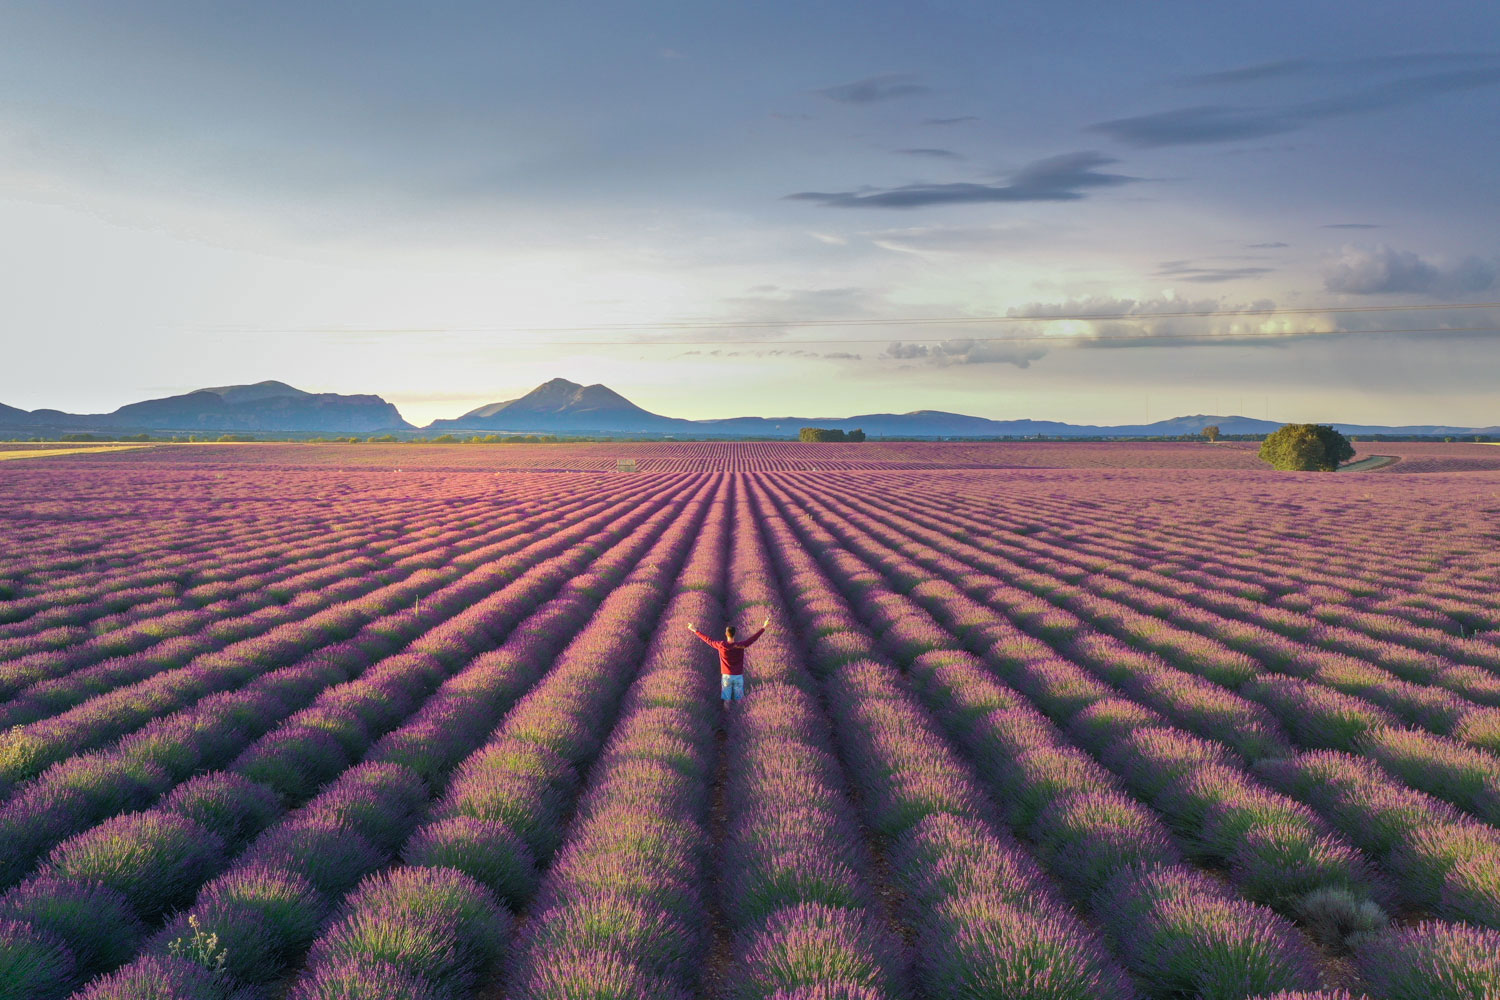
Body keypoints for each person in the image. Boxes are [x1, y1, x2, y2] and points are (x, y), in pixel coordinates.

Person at [689, 616, 769, 705]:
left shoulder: (721, 645)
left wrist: (695, 630)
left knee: (727, 699)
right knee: (738, 699)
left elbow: (708, 640)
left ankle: (727, 716)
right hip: (738, 674)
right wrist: (763, 627)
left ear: (726, 634)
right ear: (734, 634)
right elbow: (752, 639)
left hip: (726, 675)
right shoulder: (740, 645)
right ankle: (737, 716)